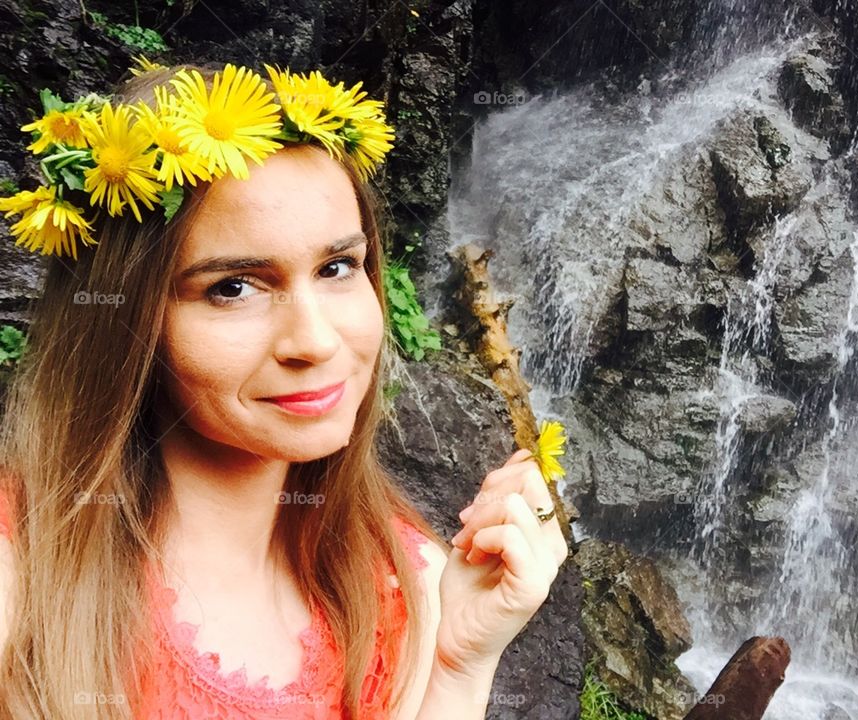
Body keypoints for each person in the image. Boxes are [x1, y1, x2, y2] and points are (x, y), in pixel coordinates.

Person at [0, 60, 568, 720]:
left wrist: (459, 667)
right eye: (233, 287)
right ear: (127, 321)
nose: (316, 340)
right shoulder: (23, 577)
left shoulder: (408, 583)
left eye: (337, 267)